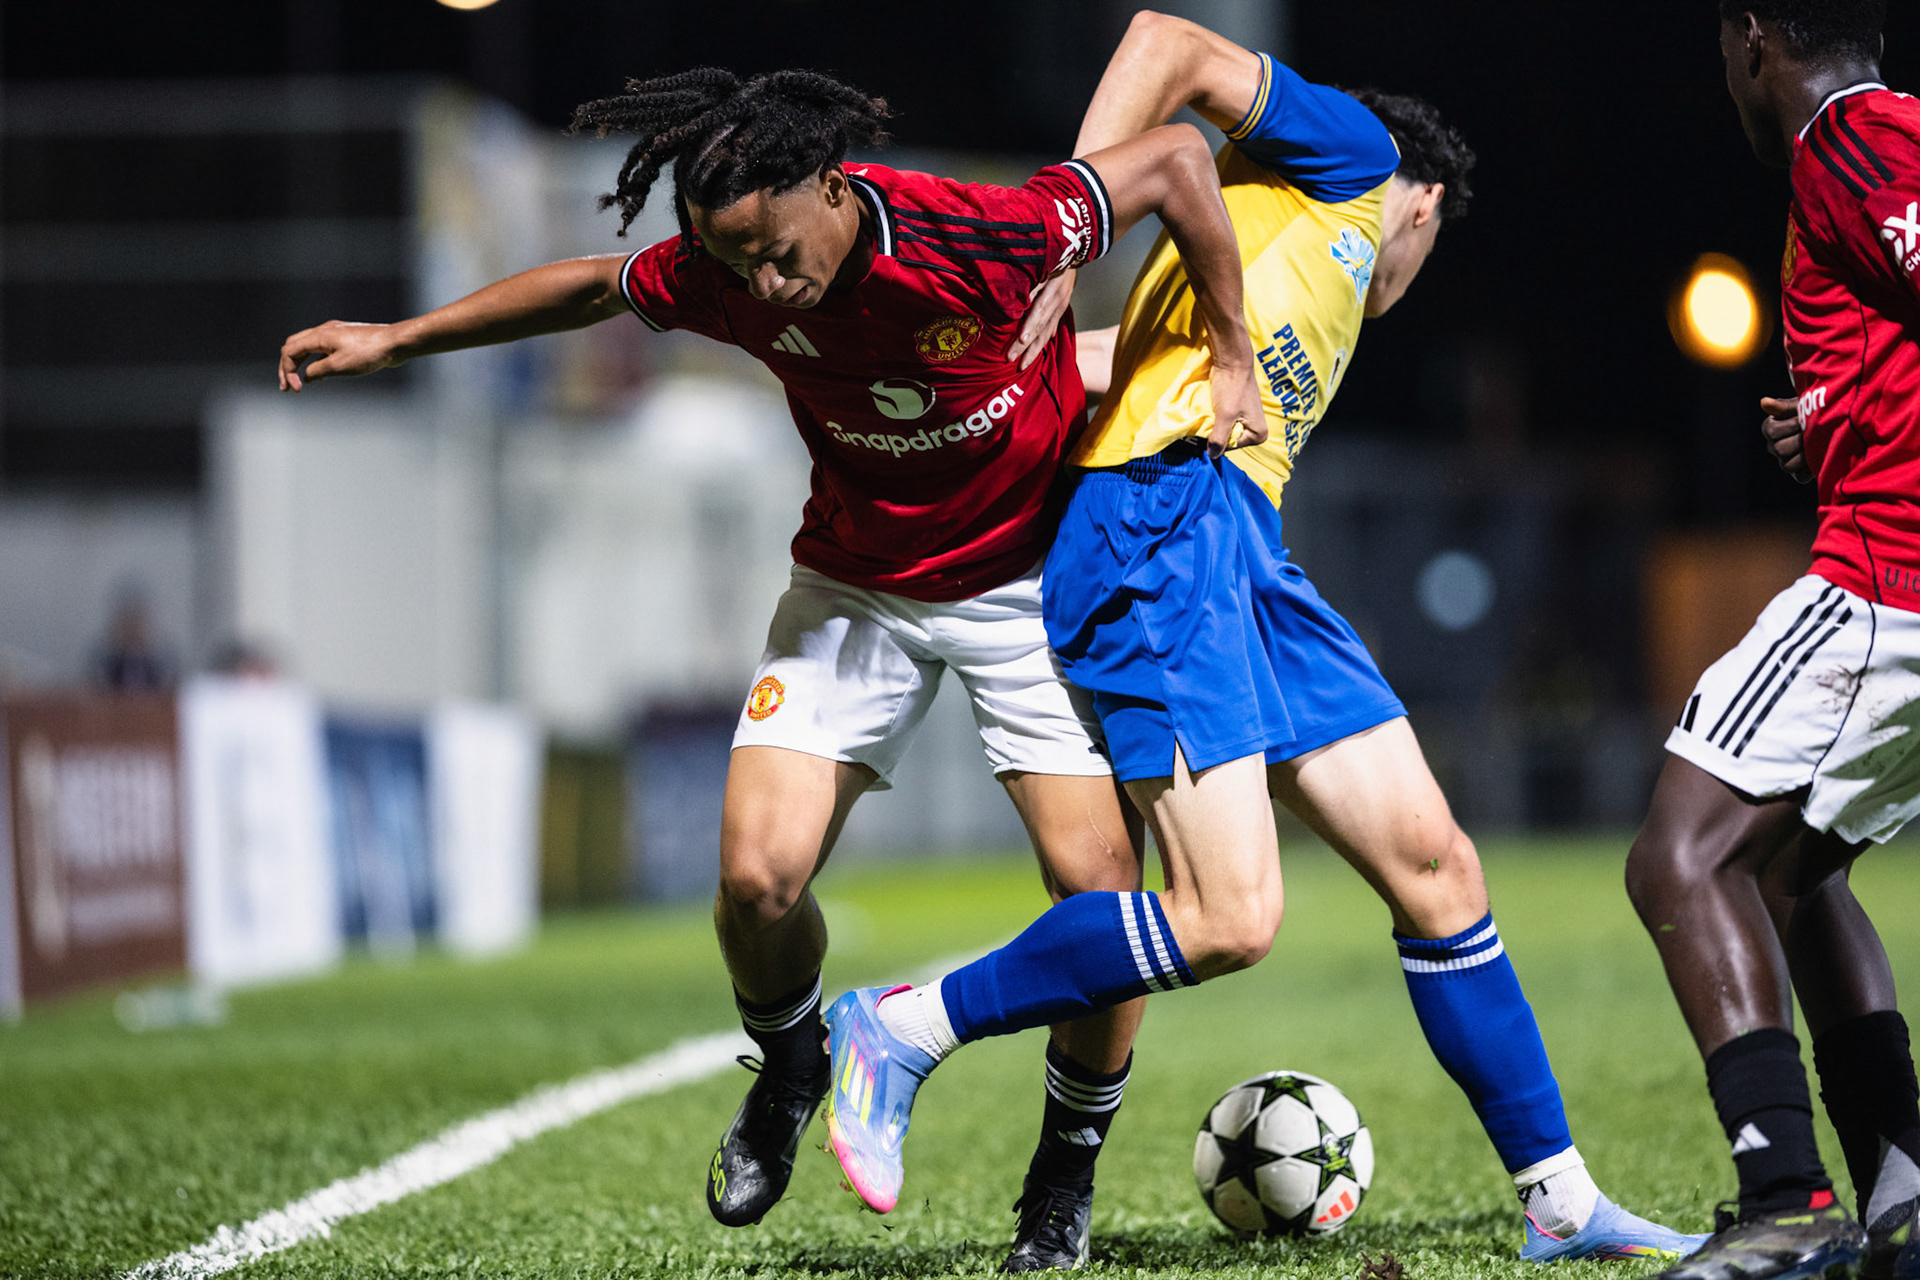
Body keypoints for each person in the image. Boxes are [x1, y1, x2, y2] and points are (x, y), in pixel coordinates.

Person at [275, 65, 1265, 1269]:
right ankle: (793, 1063)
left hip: (1022, 583)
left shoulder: (974, 230)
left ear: (831, 185)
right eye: (732, 261)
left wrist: (1229, 350)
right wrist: (400, 336)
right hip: (855, 586)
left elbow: (1175, 159)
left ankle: (1062, 1172)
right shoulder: (722, 261)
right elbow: (592, 287)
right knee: (755, 879)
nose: (758, 283)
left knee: (1102, 902)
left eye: (772, 251)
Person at [822, 12, 1706, 1268]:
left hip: (1242, 545)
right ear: (1425, 202)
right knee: (1228, 915)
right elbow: (1166, 43)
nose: (1411, 277)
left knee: (1439, 866)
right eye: (1430, 245)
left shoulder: (1253, 251)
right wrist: (1065, 233)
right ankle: (901, 1026)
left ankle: (1559, 1201)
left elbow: (1088, 369)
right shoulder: (1349, 157)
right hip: (1160, 522)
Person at [1625, 5, 1920, 1280]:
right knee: (1799, 870)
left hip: (1886, 578)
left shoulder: (1850, 141)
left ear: (1752, 38)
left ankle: (1786, 1198)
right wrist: (1843, 410)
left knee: (1680, 857)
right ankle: (1904, 1191)